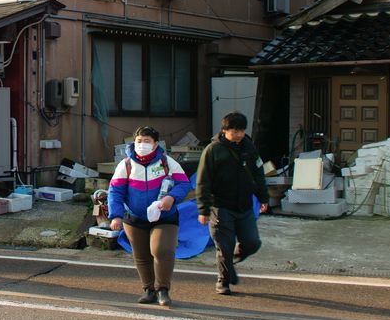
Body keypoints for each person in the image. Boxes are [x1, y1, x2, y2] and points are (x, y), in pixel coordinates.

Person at [108, 126, 192, 307]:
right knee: (141, 255)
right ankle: (149, 290)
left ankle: (163, 289)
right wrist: (115, 216)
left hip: (165, 217)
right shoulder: (126, 165)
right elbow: (115, 191)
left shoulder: (167, 162)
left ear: (155, 144)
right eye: (139, 141)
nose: (142, 145)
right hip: (134, 218)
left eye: (147, 141)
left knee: (162, 250)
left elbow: (184, 184)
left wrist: (171, 197)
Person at [195, 111, 270, 295]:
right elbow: (203, 181)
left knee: (252, 243)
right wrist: (203, 209)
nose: (238, 134)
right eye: (234, 131)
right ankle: (223, 280)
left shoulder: (249, 147)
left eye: (241, 131)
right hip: (221, 207)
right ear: (224, 130)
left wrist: (263, 198)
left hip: (244, 205)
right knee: (224, 247)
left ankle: (231, 261)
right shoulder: (213, 150)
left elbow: (259, 174)